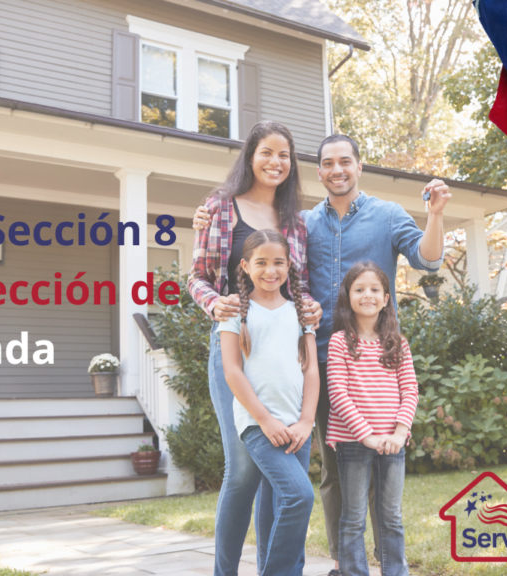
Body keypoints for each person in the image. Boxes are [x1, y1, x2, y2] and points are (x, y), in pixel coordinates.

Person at [195, 134, 449, 575]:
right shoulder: (304, 221)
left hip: (363, 357)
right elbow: (247, 274)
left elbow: (427, 261)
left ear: (359, 165)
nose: (337, 170)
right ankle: (343, 563)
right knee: (331, 469)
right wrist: (204, 223)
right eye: (328, 163)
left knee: (371, 465)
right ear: (317, 172)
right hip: (306, 354)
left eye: (345, 162)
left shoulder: (382, 215)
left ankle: (386, 564)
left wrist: (436, 215)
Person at [187, 120, 321, 576]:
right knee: (242, 471)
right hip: (234, 344)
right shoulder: (220, 208)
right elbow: (196, 277)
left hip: (282, 352)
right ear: (250, 156)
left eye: (284, 155)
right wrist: (215, 302)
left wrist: (311, 308)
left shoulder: (295, 223)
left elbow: (296, 285)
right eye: (267, 152)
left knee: (277, 475)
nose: (275, 162)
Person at [217, 229, 320, 576]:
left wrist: (306, 421)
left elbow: (311, 372)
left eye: (278, 262)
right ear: (245, 266)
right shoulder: (234, 311)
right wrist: (264, 419)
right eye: (261, 263)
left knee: (280, 505)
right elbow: (232, 371)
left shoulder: (301, 312)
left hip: (296, 426)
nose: (270, 270)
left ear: (289, 265)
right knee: (299, 496)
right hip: (259, 425)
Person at [325, 262, 418, 576]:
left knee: (391, 516)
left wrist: (400, 431)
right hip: (354, 442)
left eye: (375, 289)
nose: (368, 295)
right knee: (353, 517)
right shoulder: (339, 342)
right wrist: (366, 435)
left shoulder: (397, 343)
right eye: (359, 289)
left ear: (387, 298)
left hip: (393, 444)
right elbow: (338, 393)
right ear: (348, 296)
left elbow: (410, 391)